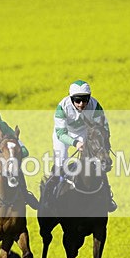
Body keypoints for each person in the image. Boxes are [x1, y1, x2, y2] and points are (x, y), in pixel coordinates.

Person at [49, 80, 117, 212]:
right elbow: (61, 133)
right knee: (60, 161)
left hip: (85, 132)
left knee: (97, 162)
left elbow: (103, 127)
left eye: (85, 100)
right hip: (64, 134)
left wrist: (104, 144)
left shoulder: (95, 106)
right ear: (71, 98)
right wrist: (75, 143)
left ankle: (107, 197)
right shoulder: (62, 107)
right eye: (77, 100)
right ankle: (52, 195)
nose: (81, 104)